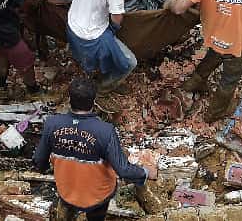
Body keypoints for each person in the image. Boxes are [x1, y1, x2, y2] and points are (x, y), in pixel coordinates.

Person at [34, 76, 161, 220]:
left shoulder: (52, 124)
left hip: (67, 190)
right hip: (97, 195)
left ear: (69, 99)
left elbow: (39, 160)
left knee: (67, 209)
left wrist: (50, 167)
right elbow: (123, 170)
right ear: (94, 102)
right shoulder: (105, 130)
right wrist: (145, 172)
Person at [63, 0, 144, 93]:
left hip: (71, 24)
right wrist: (113, 30)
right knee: (130, 62)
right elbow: (116, 17)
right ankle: (104, 87)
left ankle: (84, 63)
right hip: (91, 36)